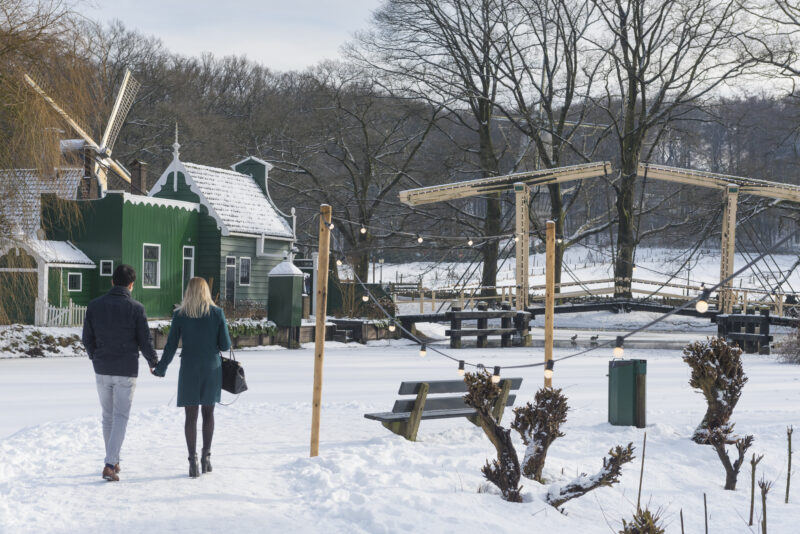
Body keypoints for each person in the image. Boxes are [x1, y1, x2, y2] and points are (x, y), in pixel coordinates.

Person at [82, 264, 159, 482]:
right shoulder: (136, 308)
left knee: (108, 416)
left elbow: (87, 338)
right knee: (121, 416)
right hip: (126, 370)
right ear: (132, 285)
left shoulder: (94, 306)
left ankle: (113, 460)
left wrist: (95, 356)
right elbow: (145, 340)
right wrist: (153, 362)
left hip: (102, 368)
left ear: (112, 281)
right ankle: (109, 463)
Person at [153, 277, 231, 478]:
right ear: (206, 292)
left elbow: (170, 345)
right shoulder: (217, 313)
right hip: (211, 369)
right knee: (208, 414)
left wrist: (161, 368)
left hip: (189, 368)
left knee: (191, 416)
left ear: (189, 291)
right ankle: (206, 457)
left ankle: (192, 460)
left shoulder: (180, 315)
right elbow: (224, 345)